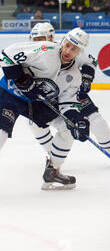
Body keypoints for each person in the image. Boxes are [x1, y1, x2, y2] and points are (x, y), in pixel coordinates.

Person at [0, 28, 92, 190]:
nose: (68, 51)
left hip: (37, 103)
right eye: (68, 45)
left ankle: (53, 171)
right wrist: (21, 79)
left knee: (68, 128)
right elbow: (6, 55)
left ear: (80, 51)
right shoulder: (44, 49)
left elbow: (67, 104)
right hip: (10, 94)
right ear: (63, 41)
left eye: (74, 49)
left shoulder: (74, 75)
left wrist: (78, 121)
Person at [27, 23, 110, 173]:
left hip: (71, 92)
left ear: (50, 37)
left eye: (41, 38)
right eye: (35, 39)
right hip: (47, 98)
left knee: (95, 120)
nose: (38, 42)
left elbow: (90, 61)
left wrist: (87, 78)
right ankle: (52, 157)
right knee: (35, 125)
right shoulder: (33, 54)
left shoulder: (67, 48)